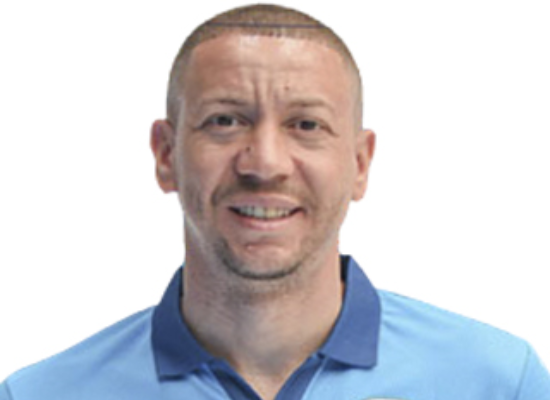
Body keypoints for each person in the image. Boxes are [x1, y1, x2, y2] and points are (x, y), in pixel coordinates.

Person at [1, 4, 549, 400]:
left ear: (360, 164)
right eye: (225, 120)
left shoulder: (499, 383)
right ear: (166, 155)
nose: (264, 163)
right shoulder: (41, 395)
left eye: (306, 125)